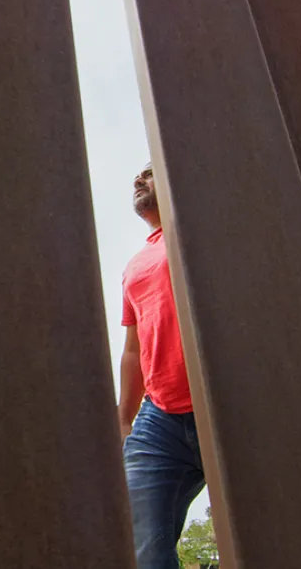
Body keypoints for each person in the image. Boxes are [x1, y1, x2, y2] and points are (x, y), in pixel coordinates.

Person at [116, 162, 206, 569]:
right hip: (161, 419)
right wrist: (124, 417)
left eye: (149, 171)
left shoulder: (203, 231)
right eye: (137, 175)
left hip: (225, 403)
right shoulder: (135, 265)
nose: (139, 179)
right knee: (138, 542)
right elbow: (133, 348)